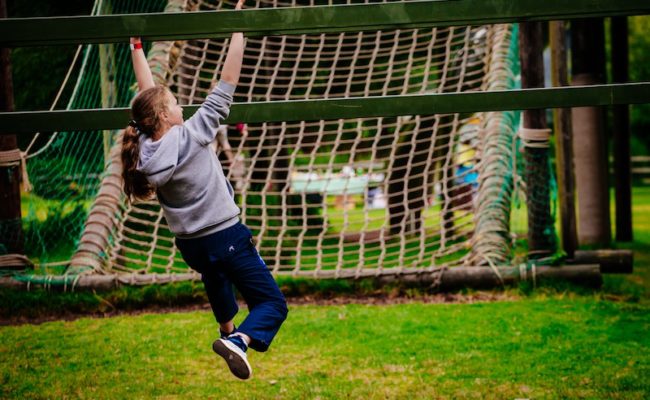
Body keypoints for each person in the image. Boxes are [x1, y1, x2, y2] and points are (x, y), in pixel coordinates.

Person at [120, 0, 287, 380]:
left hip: (191, 246)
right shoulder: (194, 134)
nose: (181, 106)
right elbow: (226, 83)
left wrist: (136, 48)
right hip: (225, 235)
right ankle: (239, 341)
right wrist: (238, 31)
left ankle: (226, 330)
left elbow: (148, 96)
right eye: (176, 104)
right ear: (166, 116)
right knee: (272, 303)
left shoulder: (145, 148)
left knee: (215, 273)